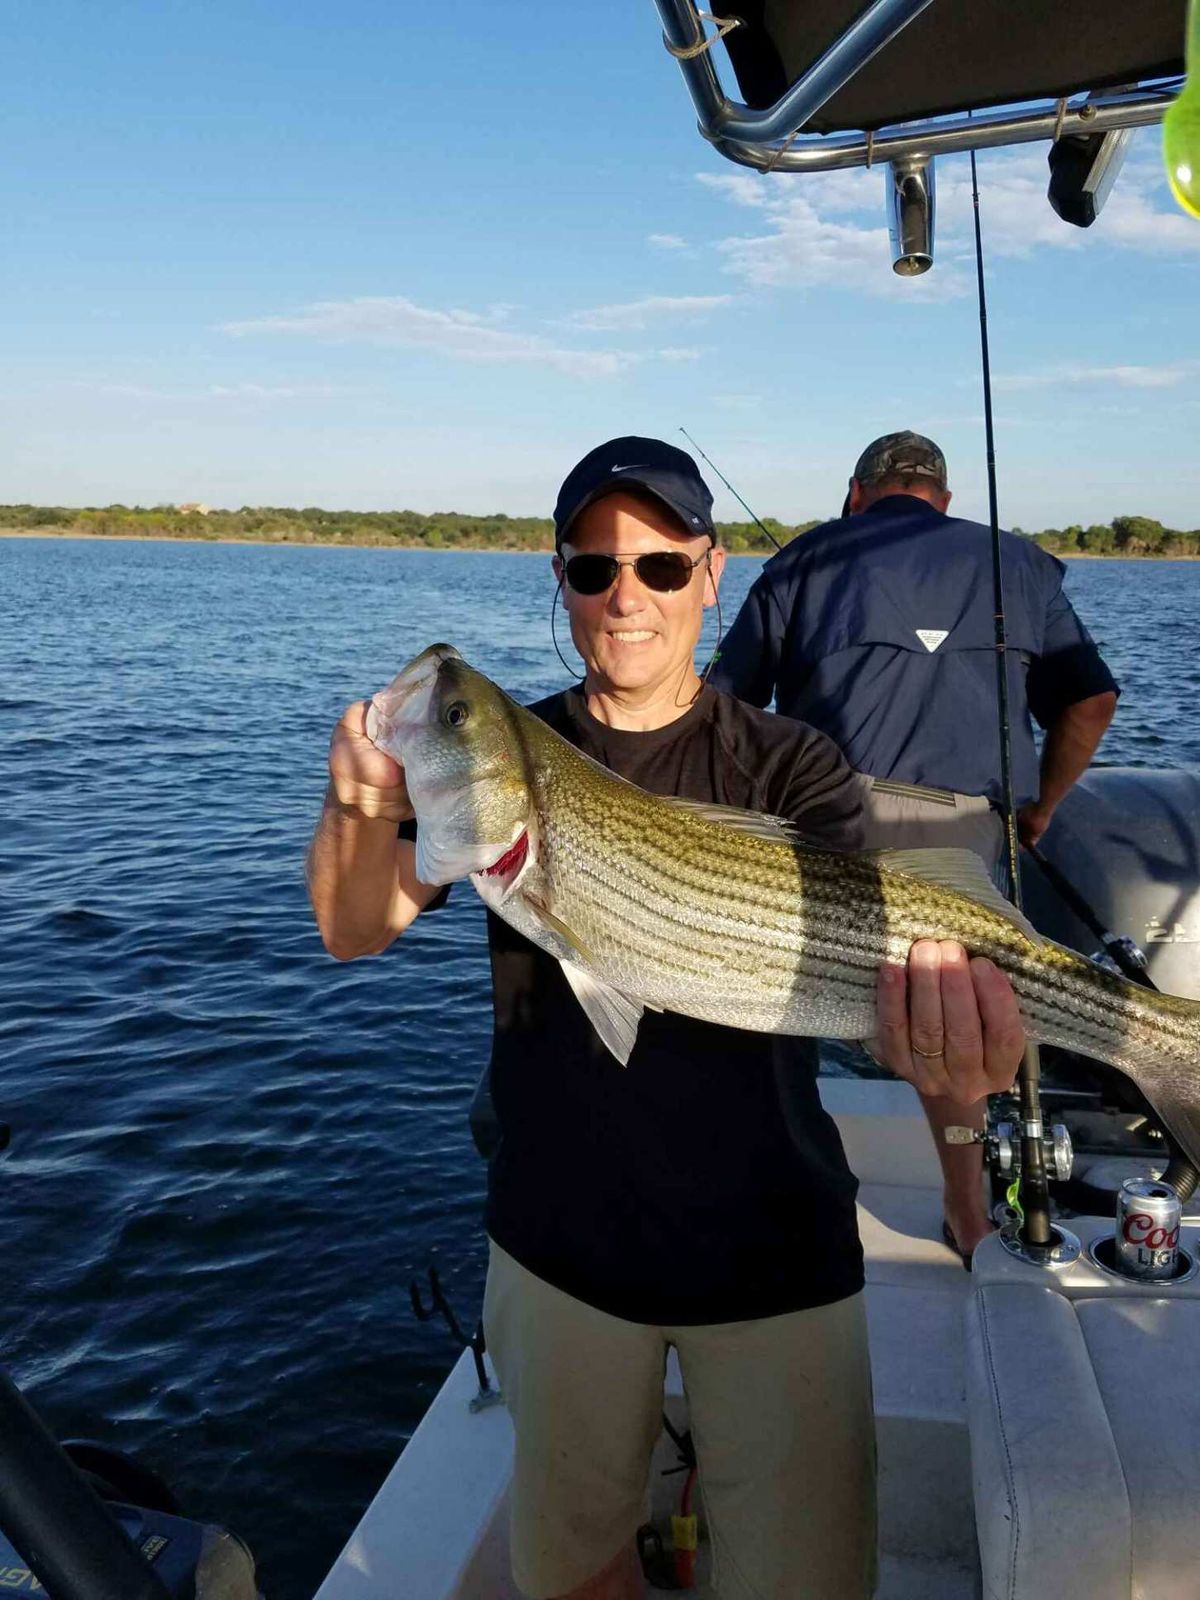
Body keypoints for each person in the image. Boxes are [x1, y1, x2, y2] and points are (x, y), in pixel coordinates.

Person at [307, 436, 1027, 1600]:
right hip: (557, 1244)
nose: (626, 595)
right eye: (595, 569)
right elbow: (352, 927)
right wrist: (354, 804)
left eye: (658, 565)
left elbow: (887, 1000)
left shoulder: (790, 763)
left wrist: (952, 1063)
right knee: (575, 1571)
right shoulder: (512, 757)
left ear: (711, 571)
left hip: (773, 1247)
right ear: (561, 581)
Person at [709, 430, 1119, 1262]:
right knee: (953, 1017)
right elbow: (1091, 701)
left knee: (782, 997)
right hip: (963, 833)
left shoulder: (803, 559)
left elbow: (724, 706)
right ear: (945, 498)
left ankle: (761, 1185)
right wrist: (1041, 807)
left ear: (856, 492)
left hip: (824, 824)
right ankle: (966, 1211)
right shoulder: (1017, 562)